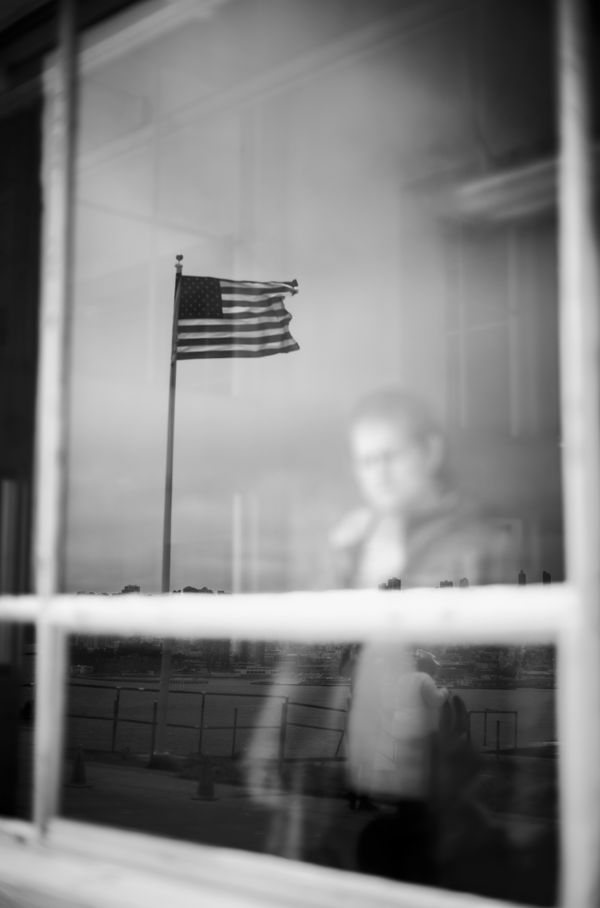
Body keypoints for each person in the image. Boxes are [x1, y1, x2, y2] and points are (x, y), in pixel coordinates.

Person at [329, 387, 517, 589]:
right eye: (367, 461)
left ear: (431, 452)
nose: (380, 474)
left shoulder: (482, 543)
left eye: (390, 457)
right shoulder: (350, 546)